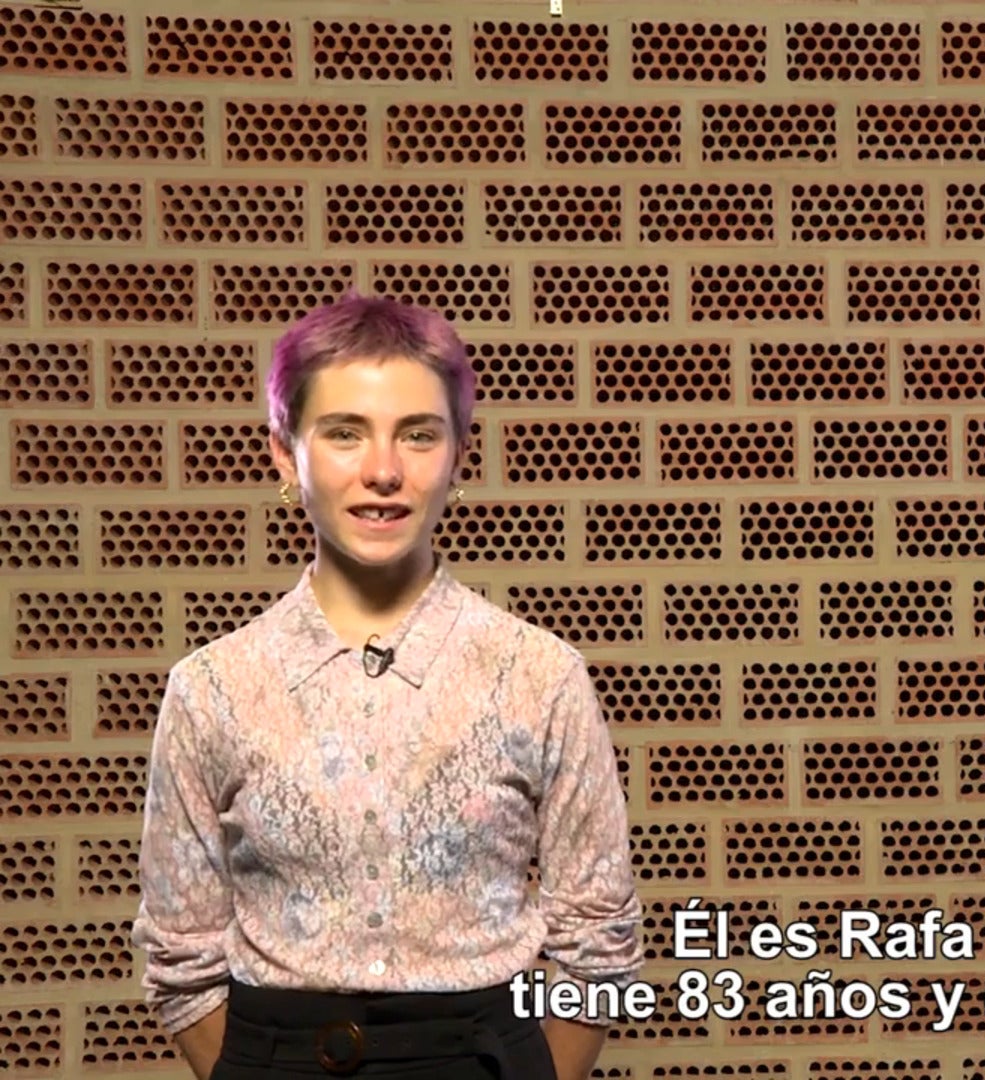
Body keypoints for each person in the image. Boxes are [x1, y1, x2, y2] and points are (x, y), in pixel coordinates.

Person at [131, 293, 642, 1079]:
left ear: (459, 454)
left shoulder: (540, 676)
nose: (382, 472)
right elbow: (181, 955)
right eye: (345, 433)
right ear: (285, 454)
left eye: (418, 434)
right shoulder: (212, 690)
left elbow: (599, 942)